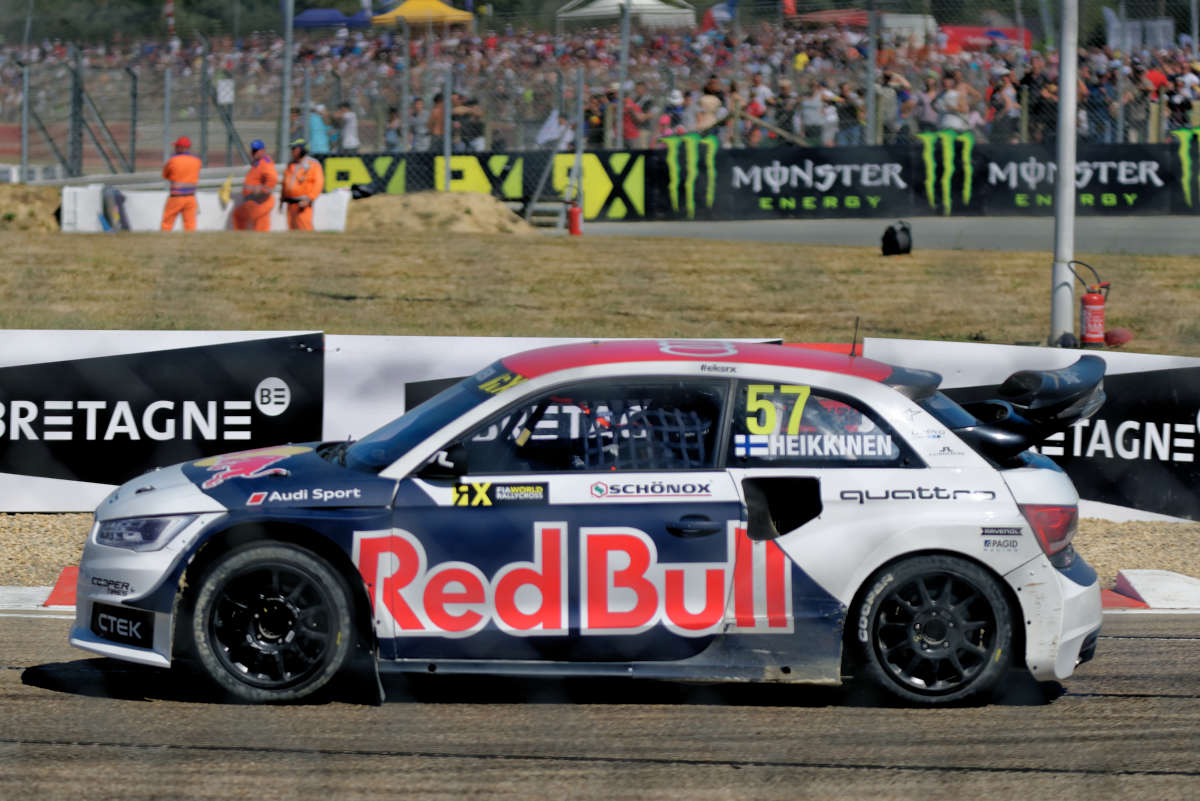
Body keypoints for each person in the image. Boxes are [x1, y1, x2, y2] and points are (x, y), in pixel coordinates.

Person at [231, 139, 277, 231]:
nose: (254, 153)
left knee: (240, 215)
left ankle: (241, 237)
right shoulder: (257, 163)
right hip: (256, 201)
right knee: (260, 223)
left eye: (257, 150)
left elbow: (272, 179)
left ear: (263, 150)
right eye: (253, 150)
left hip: (261, 201)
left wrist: (262, 192)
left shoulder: (265, 163)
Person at [281, 138, 324, 231]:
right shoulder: (291, 164)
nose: (292, 151)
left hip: (303, 204)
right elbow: (285, 182)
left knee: (304, 229)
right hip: (290, 203)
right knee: (292, 231)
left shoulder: (313, 164)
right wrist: (282, 197)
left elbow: (318, 184)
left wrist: (309, 199)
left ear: (302, 149)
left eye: (294, 149)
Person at [161, 136, 202, 232]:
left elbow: (165, 175)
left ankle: (164, 241)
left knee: (167, 223)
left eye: (176, 147)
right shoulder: (197, 161)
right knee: (190, 225)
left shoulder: (173, 160)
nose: (175, 149)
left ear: (180, 148)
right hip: (191, 198)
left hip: (176, 197)